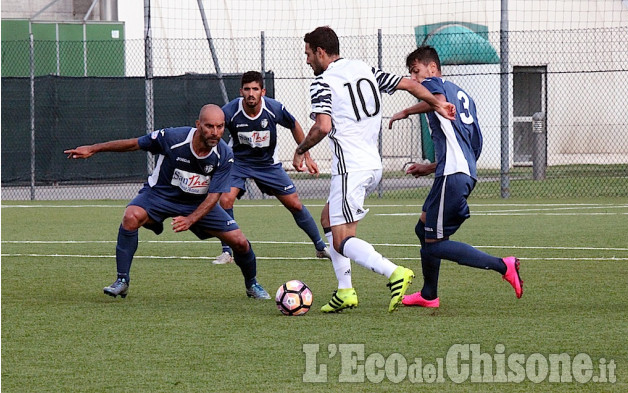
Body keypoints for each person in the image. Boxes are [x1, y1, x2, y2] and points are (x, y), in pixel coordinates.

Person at [293, 26, 456, 313]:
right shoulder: (364, 69)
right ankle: (345, 291)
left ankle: (393, 272)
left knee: (343, 240)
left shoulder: (322, 81)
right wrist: (437, 103)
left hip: (350, 168)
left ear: (320, 52)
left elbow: (323, 126)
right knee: (328, 219)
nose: (307, 61)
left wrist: (301, 149)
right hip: (372, 162)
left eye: (308, 54)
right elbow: (409, 84)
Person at [64, 104, 271, 299]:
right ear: (198, 125)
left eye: (220, 127)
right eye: (209, 126)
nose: (215, 132)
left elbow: (214, 196)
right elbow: (134, 144)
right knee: (130, 217)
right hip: (159, 196)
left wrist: (190, 220)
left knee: (240, 242)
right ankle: (122, 280)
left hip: (196, 205)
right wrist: (94, 148)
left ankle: (252, 284)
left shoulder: (224, 154)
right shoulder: (172, 138)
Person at [388, 45, 523, 309]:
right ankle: (429, 294)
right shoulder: (463, 96)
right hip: (457, 172)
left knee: (434, 244)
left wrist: (405, 111)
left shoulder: (435, 86)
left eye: (416, 72)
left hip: (452, 175)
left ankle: (503, 265)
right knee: (423, 229)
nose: (415, 79)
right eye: (411, 74)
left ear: (432, 68)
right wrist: (431, 167)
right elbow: (472, 142)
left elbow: (433, 98)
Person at [212, 71, 329, 265]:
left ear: (262, 91)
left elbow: (293, 124)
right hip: (238, 163)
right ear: (241, 91)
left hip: (267, 165)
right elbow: (213, 129)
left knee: (294, 204)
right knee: (225, 199)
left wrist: (306, 154)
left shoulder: (274, 108)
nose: (251, 93)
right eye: (247, 89)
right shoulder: (230, 111)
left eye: (255, 89)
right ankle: (227, 251)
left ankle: (320, 247)